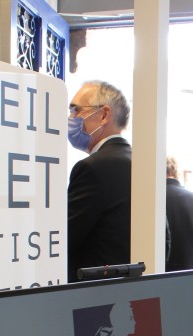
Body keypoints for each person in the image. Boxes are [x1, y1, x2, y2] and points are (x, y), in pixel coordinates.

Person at [66, 80, 132, 282]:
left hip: (93, 291)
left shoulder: (91, 168)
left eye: (76, 110)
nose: (71, 118)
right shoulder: (143, 166)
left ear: (104, 115)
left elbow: (65, 239)